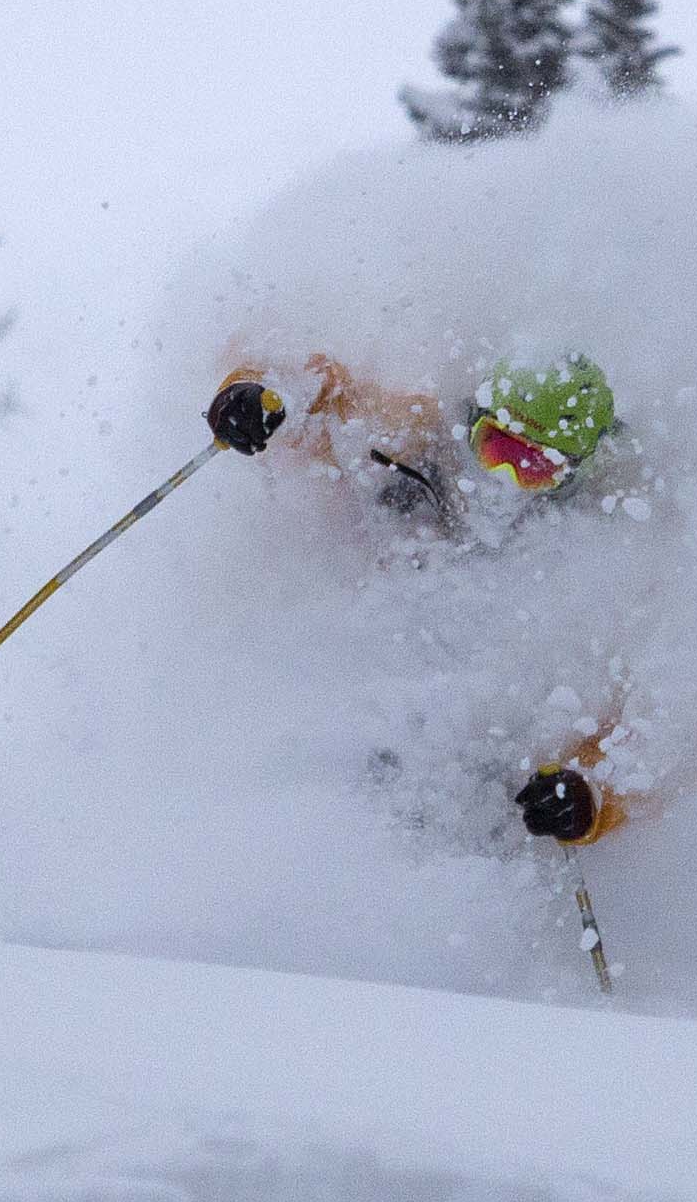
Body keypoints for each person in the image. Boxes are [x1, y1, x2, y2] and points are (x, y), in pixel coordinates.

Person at [202, 351, 642, 847]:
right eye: (495, 447)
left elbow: (637, 730)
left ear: (573, 477)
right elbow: (321, 390)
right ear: (473, 422)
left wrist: (590, 799)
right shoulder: (410, 441)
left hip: (472, 787)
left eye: (534, 466)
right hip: (333, 713)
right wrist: (253, 393)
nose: (504, 478)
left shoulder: (592, 558)